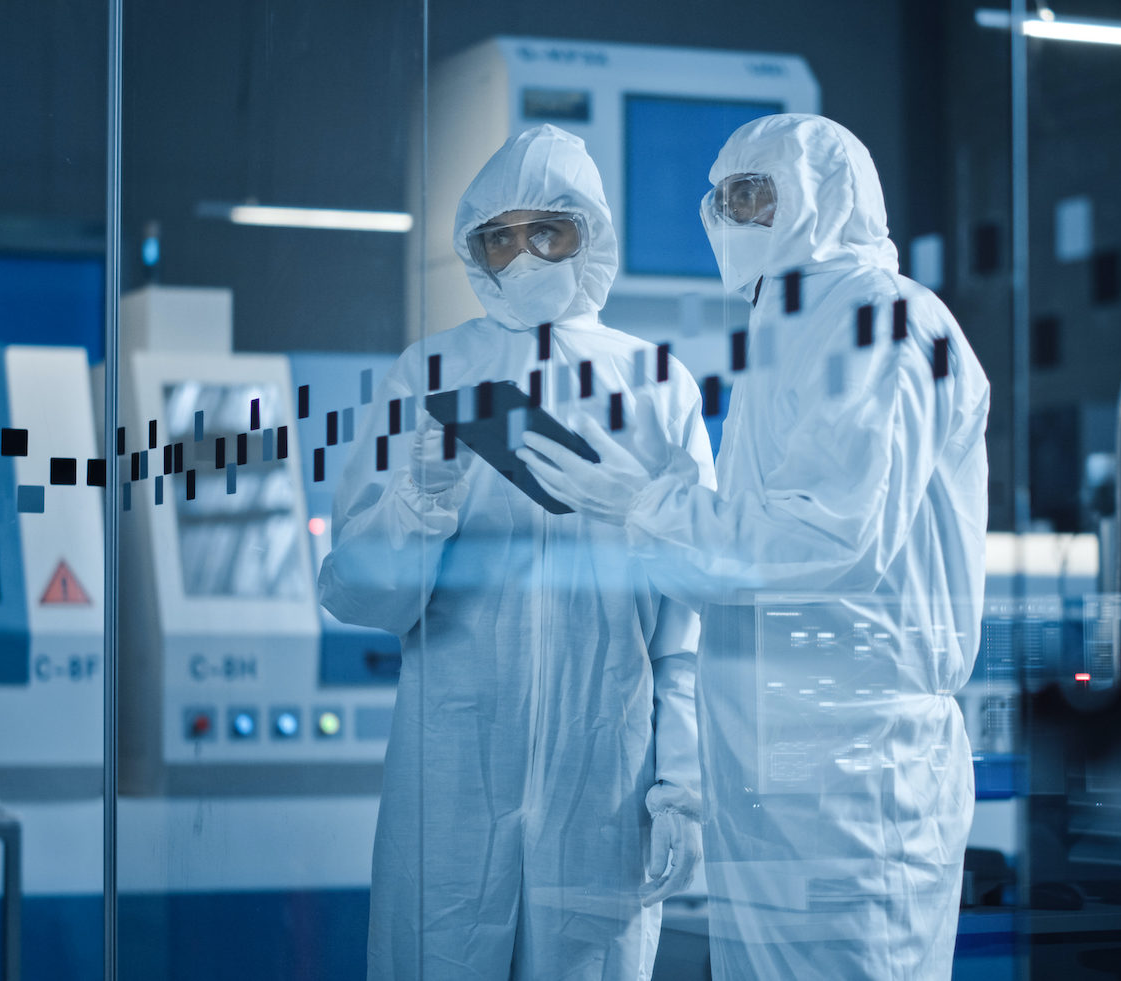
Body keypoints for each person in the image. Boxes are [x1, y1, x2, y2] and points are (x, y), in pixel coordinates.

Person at [519, 113, 991, 980]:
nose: (733, 218)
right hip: (773, 757)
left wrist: (650, 500)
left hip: (857, 763)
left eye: (756, 194)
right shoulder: (784, 336)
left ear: (826, 195)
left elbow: (825, 546)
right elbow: (742, 569)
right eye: (724, 198)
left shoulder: (881, 323)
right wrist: (638, 511)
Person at [319, 124, 716, 980]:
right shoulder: (428, 375)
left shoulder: (654, 385)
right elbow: (357, 593)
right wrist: (420, 502)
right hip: (453, 772)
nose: (524, 256)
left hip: (603, 773)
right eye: (500, 236)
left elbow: (688, 614)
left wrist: (683, 781)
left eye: (549, 232)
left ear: (591, 235)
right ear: (474, 248)